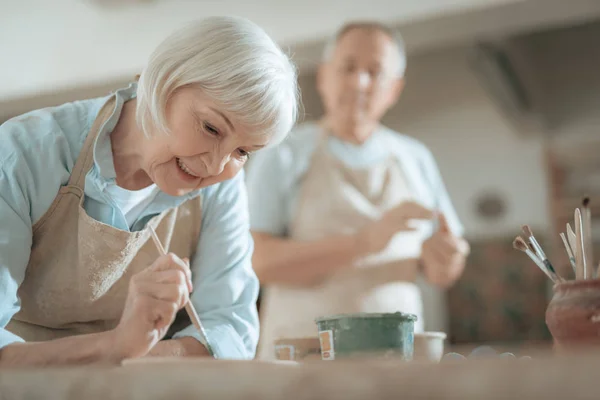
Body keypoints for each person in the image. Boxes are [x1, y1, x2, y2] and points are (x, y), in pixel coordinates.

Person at [0, 16, 299, 366]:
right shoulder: (21, 154)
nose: (217, 166)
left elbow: (229, 329)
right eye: (211, 128)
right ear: (163, 80)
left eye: (242, 152)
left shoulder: (222, 189)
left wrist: (136, 354)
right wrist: (117, 349)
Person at [246, 21, 469, 359]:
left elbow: (442, 270)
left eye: (374, 71)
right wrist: (364, 243)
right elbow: (257, 261)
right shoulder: (282, 152)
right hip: (303, 364)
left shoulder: (416, 158)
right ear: (323, 76)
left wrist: (448, 258)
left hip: (399, 362)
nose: (359, 82)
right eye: (347, 68)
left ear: (394, 89)